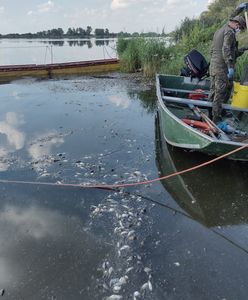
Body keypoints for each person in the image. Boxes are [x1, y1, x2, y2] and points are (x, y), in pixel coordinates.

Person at [209, 3, 248, 124]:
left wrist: (244, 48)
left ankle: (215, 112)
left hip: (214, 66)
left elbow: (233, 52)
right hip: (222, 68)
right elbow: (226, 50)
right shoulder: (230, 33)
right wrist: (230, 67)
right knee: (219, 95)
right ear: (237, 25)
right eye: (240, 28)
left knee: (218, 90)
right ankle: (215, 120)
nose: (239, 31)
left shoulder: (222, 28)